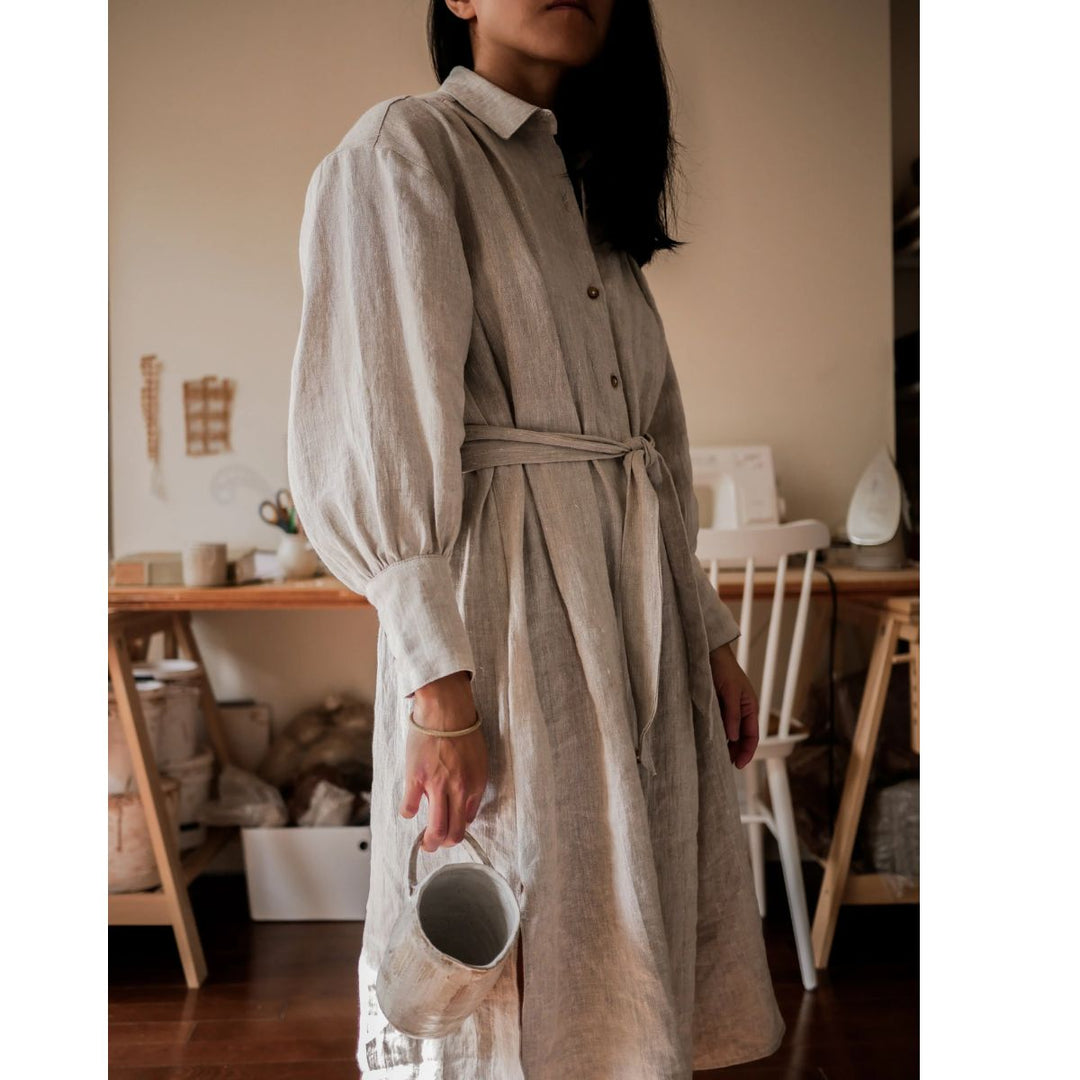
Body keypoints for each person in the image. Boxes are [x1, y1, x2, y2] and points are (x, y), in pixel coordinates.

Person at [287, 1, 787, 1076]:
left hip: (634, 617)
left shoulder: (587, 191)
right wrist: (440, 695)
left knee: (625, 925)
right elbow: (374, 430)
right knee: (509, 940)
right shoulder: (406, 151)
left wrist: (708, 635)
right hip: (507, 619)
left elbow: (650, 434)